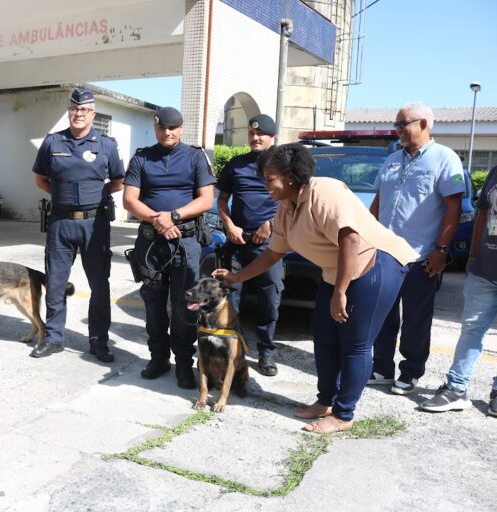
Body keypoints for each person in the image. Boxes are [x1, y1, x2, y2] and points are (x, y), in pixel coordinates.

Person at [213, 143, 417, 433]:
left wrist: (340, 292)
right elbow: (273, 253)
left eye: (269, 179)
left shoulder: (325, 192)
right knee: (323, 335)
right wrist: (236, 277)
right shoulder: (286, 207)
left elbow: (350, 240)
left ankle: (344, 414)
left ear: (290, 177)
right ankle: (325, 401)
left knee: (355, 343)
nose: (264, 185)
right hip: (337, 271)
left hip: (375, 264)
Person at [369, 102, 465, 395]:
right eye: (396, 124)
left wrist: (441, 249)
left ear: (423, 124)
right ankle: (382, 367)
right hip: (385, 254)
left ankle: (410, 372)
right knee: (383, 314)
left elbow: (453, 208)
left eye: (402, 124)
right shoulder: (391, 160)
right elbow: (378, 202)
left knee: (416, 319)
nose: (397, 130)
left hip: (420, 256)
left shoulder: (444, 159)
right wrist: (368, 237)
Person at [123, 106, 215, 389]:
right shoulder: (141, 157)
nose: (167, 132)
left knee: (185, 304)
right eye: (162, 127)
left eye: (172, 127)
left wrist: (173, 216)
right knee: (153, 303)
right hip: (151, 242)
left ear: (181, 128)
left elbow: (206, 199)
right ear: (155, 128)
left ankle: (184, 364)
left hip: (185, 242)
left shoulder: (195, 157)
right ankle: (158, 358)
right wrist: (157, 220)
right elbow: (129, 200)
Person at [30, 87, 125, 360]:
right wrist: (64, 197)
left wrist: (94, 195)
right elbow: (40, 179)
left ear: (93, 114)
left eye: (84, 110)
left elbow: (118, 181)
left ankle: (99, 342)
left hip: (94, 224)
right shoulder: (52, 142)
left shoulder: (106, 145)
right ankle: (53, 338)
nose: (78, 114)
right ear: (69, 111)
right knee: (55, 283)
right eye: (74, 109)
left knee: (99, 285)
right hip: (60, 222)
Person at [420, 164, 497, 416]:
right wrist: (472, 257)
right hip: (484, 271)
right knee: (471, 330)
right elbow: (482, 216)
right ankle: (456, 388)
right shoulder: (495, 172)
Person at [216, 113, 283, 377]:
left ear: (272, 137)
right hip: (238, 240)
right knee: (232, 297)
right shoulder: (236, 165)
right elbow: (222, 200)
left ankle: (266, 352)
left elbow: (293, 202)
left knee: (270, 298)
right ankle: (236, 347)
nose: (255, 138)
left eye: (261, 134)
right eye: (252, 134)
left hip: (270, 243)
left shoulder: (283, 164)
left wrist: (271, 224)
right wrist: (229, 226)